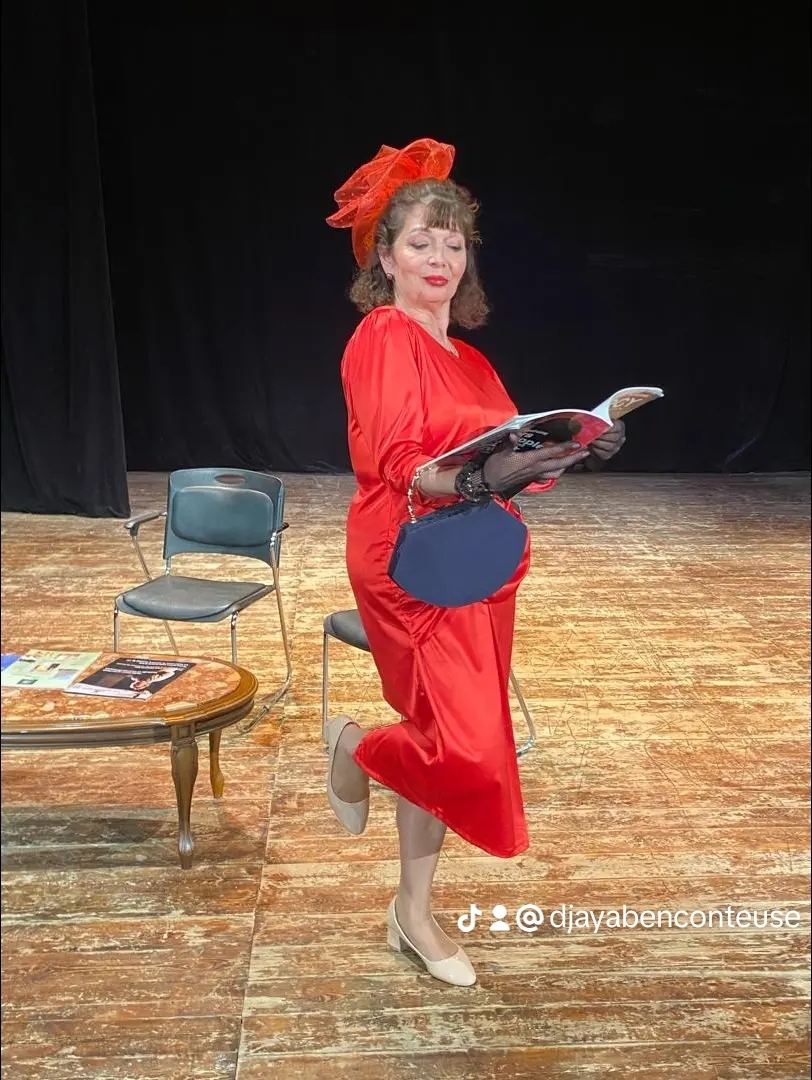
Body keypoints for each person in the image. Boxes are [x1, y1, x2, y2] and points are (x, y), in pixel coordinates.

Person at [324, 138, 626, 987]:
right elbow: (399, 464)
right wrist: (476, 477)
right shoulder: (383, 335)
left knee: (450, 738)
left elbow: (504, 462)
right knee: (468, 750)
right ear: (386, 257)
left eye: (453, 243)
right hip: (411, 558)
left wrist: (569, 449)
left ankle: (412, 911)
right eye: (420, 241)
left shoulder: (473, 358)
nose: (440, 258)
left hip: (481, 557)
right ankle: (356, 745)